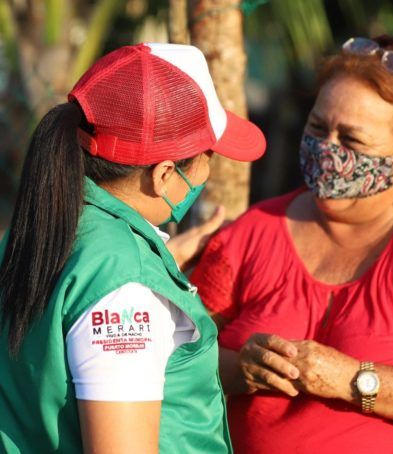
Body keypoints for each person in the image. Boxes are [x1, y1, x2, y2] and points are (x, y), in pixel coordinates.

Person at [191, 32, 393, 453]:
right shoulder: (249, 233)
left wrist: (354, 380)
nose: (327, 151)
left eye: (352, 140)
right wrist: (239, 367)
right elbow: (178, 361)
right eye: (318, 128)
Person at [0, 43, 265, 453]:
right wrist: (138, 272)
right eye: (208, 156)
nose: (207, 172)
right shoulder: (127, 288)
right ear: (164, 174)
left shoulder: (43, 225)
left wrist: (156, 263)